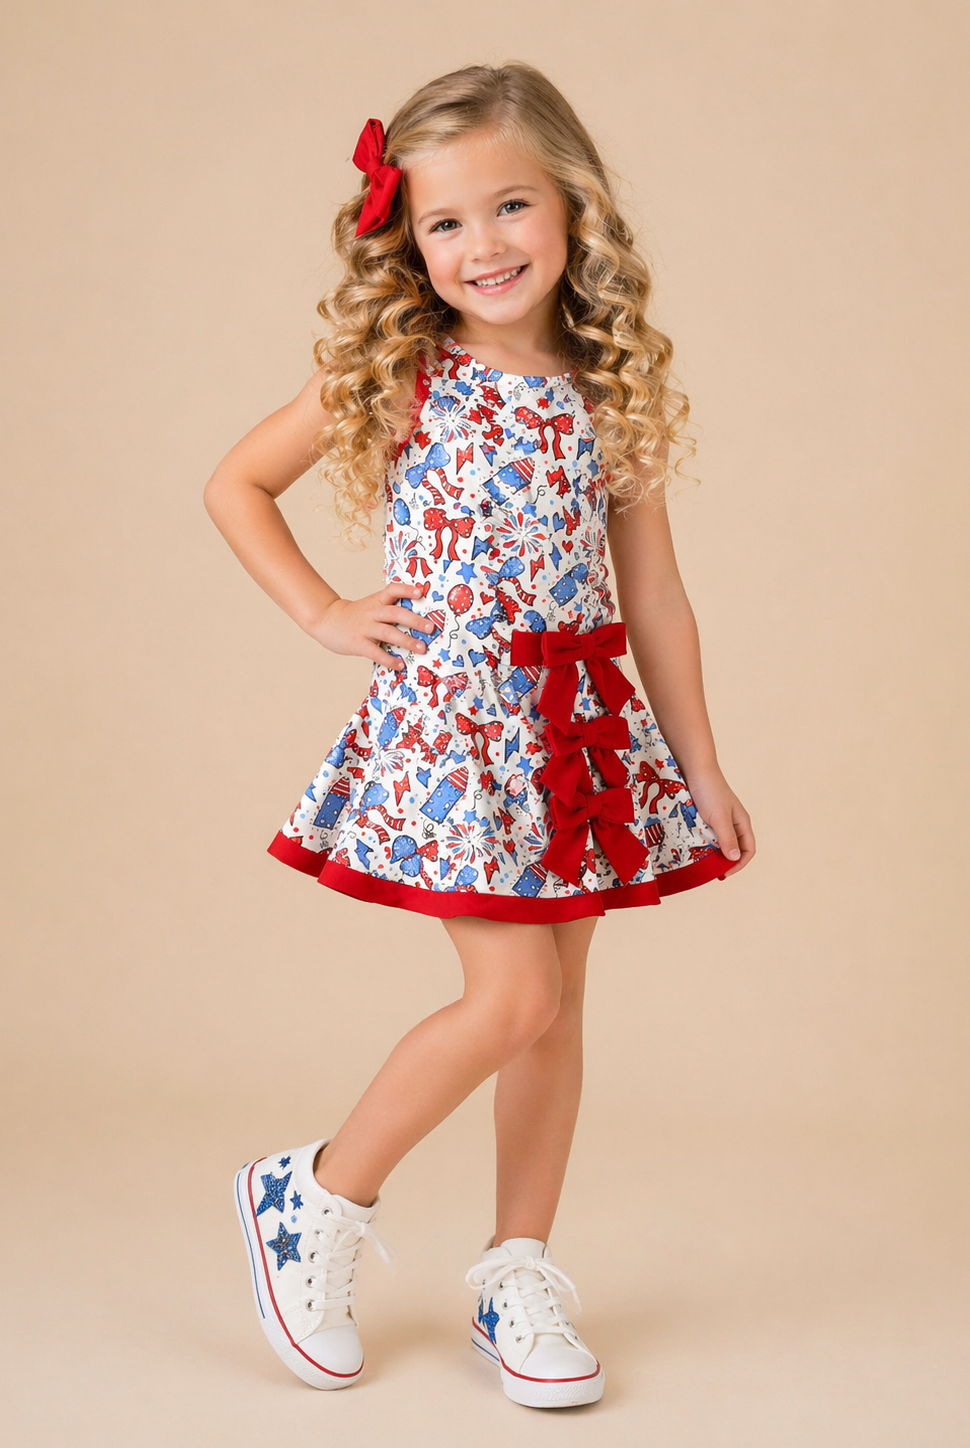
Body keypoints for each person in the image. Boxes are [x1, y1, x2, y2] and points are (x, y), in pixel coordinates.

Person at [204, 61, 755, 1411]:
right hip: (458, 727)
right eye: (444, 223)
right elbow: (236, 483)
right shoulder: (403, 372)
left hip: (572, 725)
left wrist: (698, 765)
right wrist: (324, 608)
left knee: (555, 1019)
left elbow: (658, 598)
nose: (482, 245)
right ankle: (315, 1194)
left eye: (509, 207)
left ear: (571, 210)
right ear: (406, 238)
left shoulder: (602, 383)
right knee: (509, 997)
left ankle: (518, 1272)